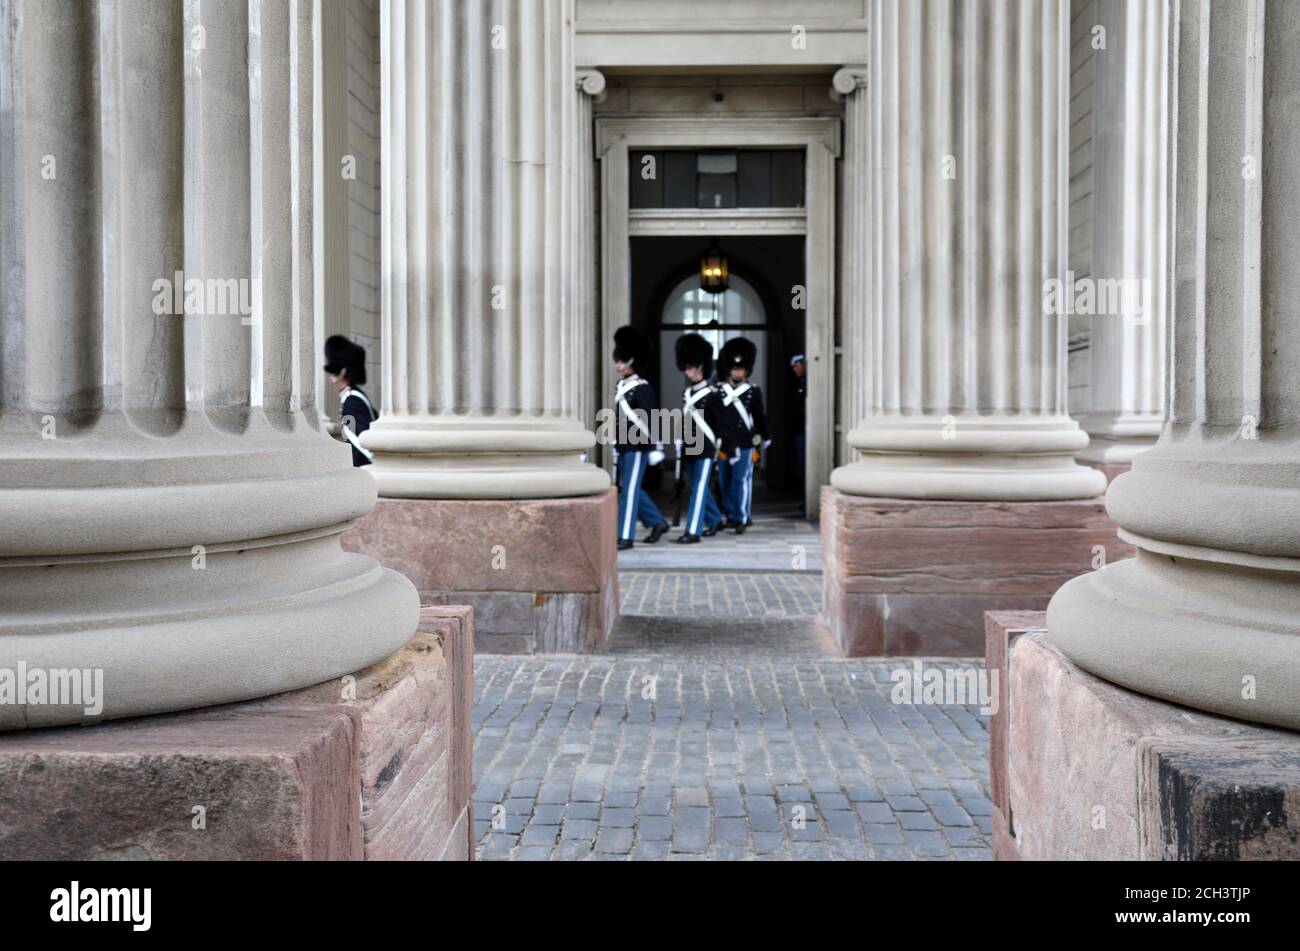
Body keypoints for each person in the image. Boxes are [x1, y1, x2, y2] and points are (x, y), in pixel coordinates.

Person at [611, 326, 670, 550]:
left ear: (632, 361)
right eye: (617, 360)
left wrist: (655, 446)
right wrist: (617, 443)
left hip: (638, 445)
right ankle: (656, 522)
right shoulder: (621, 386)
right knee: (629, 487)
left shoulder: (642, 388)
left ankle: (625, 535)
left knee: (630, 490)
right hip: (626, 445)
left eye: (621, 360)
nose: (617, 364)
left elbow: (652, 418)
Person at [674, 333, 726, 544]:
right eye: (685, 367)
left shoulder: (713, 394)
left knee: (698, 489)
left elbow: (723, 425)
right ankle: (714, 520)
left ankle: (693, 530)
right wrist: (680, 438)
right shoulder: (687, 394)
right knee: (698, 486)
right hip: (690, 446)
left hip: (706, 448)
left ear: (700, 367)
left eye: (690, 367)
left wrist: (727, 449)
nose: (686, 371)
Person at [715, 337, 769, 533]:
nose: (738, 371)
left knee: (740, 479)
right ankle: (730, 515)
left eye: (741, 368)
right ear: (729, 368)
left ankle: (741, 517)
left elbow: (759, 415)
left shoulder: (753, 392)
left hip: (745, 442)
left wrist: (766, 435)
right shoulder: (719, 390)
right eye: (734, 368)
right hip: (724, 443)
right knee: (724, 481)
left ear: (747, 370)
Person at [324, 335, 377, 467]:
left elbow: (358, 441)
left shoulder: (352, 401)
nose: (331, 375)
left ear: (343, 371)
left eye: (335, 371)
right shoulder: (352, 396)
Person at [789, 353, 807, 485]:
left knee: (805, 463)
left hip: (805, 429)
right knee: (801, 463)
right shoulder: (800, 383)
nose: (794, 369)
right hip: (799, 429)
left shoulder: (806, 384)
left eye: (796, 366)